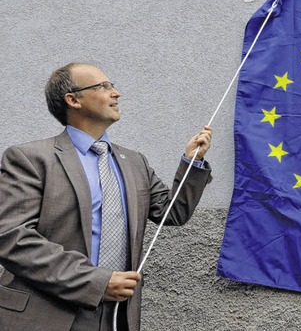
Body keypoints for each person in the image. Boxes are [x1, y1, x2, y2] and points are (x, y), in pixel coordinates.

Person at [0, 63, 213, 330]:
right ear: (73, 99)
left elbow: (173, 212)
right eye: (104, 86)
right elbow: (12, 238)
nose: (116, 93)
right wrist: (95, 282)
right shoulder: (30, 159)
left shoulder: (134, 162)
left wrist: (191, 163)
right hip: (46, 313)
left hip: (116, 316)